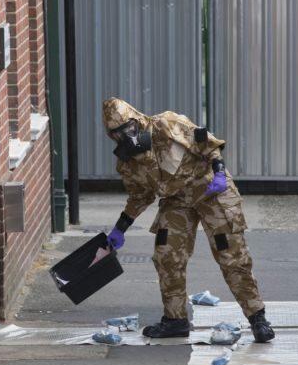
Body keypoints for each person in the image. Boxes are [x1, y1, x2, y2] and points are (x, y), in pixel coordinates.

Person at [102, 97, 275, 343]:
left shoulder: (167, 125)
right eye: (118, 133)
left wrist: (219, 171)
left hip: (211, 190)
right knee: (166, 254)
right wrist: (121, 227)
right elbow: (140, 196)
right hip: (177, 200)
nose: (126, 136)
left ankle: (258, 318)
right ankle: (175, 320)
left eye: (128, 128)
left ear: (136, 119)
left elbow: (207, 144)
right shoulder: (128, 163)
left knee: (231, 255)